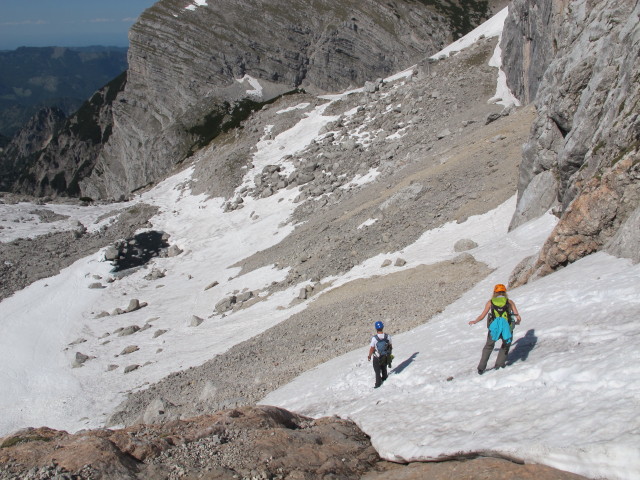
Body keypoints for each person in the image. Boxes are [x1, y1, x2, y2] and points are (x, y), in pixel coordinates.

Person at [469, 283, 522, 374]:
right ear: (504, 292)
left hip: (494, 328)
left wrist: (475, 321)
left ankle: (481, 368)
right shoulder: (509, 302)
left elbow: (482, 315)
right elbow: (518, 316)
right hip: (507, 327)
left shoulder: (490, 302)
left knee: (488, 346)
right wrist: (517, 322)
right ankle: (499, 364)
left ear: (495, 292)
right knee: (505, 345)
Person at [368, 321, 392, 388]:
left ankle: (378, 384)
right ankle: (385, 378)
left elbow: (372, 348)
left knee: (377, 370)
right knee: (384, 368)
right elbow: (390, 345)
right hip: (385, 355)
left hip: (377, 357)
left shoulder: (374, 338)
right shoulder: (387, 337)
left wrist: (369, 356)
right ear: (382, 327)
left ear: (376, 328)